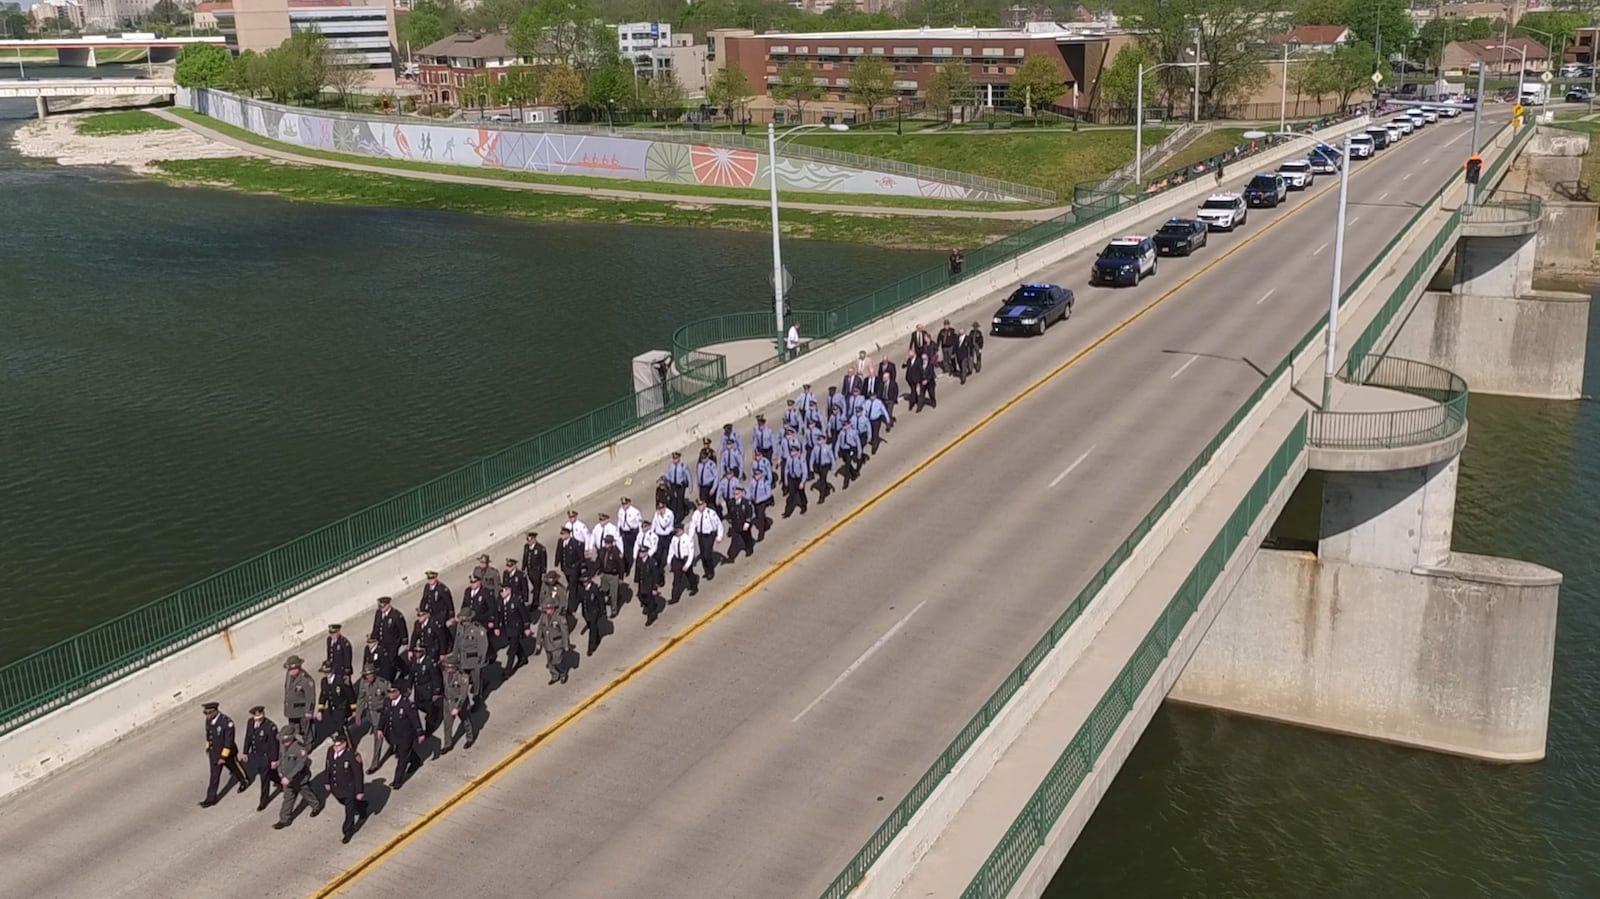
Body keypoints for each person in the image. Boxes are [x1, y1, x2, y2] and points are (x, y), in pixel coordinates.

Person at [198, 701, 248, 808]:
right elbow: (209, 734)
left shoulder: (226, 723)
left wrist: (223, 757)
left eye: (209, 713)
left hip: (227, 753)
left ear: (216, 711)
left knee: (234, 767)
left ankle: (244, 780)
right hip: (214, 753)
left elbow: (228, 741)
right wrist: (208, 747)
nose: (207, 715)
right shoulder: (209, 720)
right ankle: (211, 799)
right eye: (205, 713)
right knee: (214, 776)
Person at [272, 727, 323, 829]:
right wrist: (280, 771)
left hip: (299, 778)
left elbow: (300, 765)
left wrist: (289, 777)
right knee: (288, 798)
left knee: (306, 793)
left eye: (286, 740)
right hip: (286, 778)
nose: (284, 742)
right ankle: (284, 819)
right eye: (283, 740)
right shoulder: (282, 745)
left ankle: (316, 806)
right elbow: (281, 758)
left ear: (292, 738)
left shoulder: (300, 748)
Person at [378, 683, 424, 790]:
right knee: (403, 751)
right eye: (389, 692)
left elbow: (415, 719)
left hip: (405, 735)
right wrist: (380, 728)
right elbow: (384, 716)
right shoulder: (387, 701)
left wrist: (420, 733)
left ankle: (397, 781)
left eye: (392, 692)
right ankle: (416, 761)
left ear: (398, 692)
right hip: (392, 734)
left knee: (402, 759)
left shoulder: (407, 704)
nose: (390, 694)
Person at [323, 732, 367, 844]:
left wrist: (359, 791)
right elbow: (328, 766)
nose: (335, 748)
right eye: (334, 745)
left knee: (349, 810)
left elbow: (358, 774)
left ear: (344, 744)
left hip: (349, 788)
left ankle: (347, 831)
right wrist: (327, 781)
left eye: (338, 745)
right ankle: (362, 807)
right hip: (336, 787)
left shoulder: (352, 755)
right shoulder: (330, 751)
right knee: (343, 801)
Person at [240, 705, 280, 812]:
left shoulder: (270, 727)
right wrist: (245, 752)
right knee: (269, 774)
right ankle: (279, 781)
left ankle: (263, 801)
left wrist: (274, 760)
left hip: (266, 757)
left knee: (264, 779)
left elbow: (274, 744)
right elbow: (248, 737)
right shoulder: (250, 722)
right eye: (257, 718)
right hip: (256, 755)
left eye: (260, 717)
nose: (259, 720)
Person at [352, 664, 390, 772]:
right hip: (370, 714)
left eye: (371, 674)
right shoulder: (363, 683)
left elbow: (390, 697)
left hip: (380, 714)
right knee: (388, 735)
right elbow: (361, 698)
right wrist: (358, 714)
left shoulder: (382, 683)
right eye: (367, 675)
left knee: (377, 738)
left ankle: (375, 763)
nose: (369, 677)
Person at [313, 661, 356, 749]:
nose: (326, 674)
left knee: (342, 729)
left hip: (342, 708)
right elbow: (323, 696)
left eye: (327, 672)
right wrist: (320, 710)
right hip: (332, 710)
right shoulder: (324, 682)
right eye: (324, 672)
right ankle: (344, 745)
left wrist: (354, 709)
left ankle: (350, 748)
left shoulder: (340, 680)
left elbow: (350, 694)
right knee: (338, 729)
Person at [368, 596, 407, 683]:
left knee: (392, 659)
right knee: (385, 660)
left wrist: (404, 641)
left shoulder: (396, 615)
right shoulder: (378, 613)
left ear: (388, 605)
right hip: (382, 642)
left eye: (383, 606)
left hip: (393, 642)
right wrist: (373, 638)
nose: (381, 609)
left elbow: (402, 629)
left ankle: (400, 671)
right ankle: (394, 672)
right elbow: (376, 626)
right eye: (380, 607)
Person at [441, 656, 475, 753]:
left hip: (459, 703)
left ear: (455, 667)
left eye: (449, 667)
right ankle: (448, 744)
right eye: (446, 667)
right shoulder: (445, 673)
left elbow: (463, 694)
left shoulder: (463, 677)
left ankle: (470, 738)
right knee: (447, 724)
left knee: (465, 721)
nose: (447, 669)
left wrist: (457, 708)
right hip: (448, 701)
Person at [536, 593, 571, 685]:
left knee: (557, 661)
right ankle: (555, 675)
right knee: (550, 662)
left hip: (557, 643)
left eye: (549, 609)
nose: (547, 611)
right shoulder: (543, 617)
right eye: (546, 609)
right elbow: (540, 630)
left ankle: (563, 673)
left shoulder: (559, 618)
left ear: (553, 608)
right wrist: (538, 642)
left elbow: (564, 632)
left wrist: (566, 645)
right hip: (547, 643)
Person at [282, 655, 316, 737]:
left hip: (301, 710)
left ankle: (307, 745)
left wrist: (309, 711)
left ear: (298, 667)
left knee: (305, 730)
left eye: (293, 669)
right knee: (293, 730)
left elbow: (310, 697)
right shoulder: (289, 675)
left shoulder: (306, 680)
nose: (290, 671)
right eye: (289, 669)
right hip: (291, 710)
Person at [666, 522, 700, 603]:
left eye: (677, 531)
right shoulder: (674, 539)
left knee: (690, 575)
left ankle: (694, 587)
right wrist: (669, 560)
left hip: (685, 560)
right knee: (676, 580)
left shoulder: (688, 539)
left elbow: (691, 553)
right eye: (675, 531)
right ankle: (674, 598)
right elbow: (671, 550)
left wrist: (687, 565)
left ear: (682, 530)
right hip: (677, 560)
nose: (676, 533)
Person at [595, 533, 626, 618]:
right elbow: (598, 561)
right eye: (605, 542)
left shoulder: (616, 552)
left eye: (608, 543)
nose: (606, 544)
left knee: (613, 594)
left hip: (613, 575)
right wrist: (596, 571)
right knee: (603, 591)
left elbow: (621, 565)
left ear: (612, 543)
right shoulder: (602, 551)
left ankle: (614, 610)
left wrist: (621, 578)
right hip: (605, 574)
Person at [633, 543, 664, 626]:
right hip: (642, 584)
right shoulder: (639, 561)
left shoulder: (651, 562)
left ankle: (651, 617)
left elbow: (655, 576)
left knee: (649, 601)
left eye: (642, 552)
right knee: (641, 598)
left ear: (646, 553)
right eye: (640, 552)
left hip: (649, 585)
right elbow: (638, 571)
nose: (640, 554)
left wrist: (655, 588)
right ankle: (653, 605)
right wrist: (636, 580)